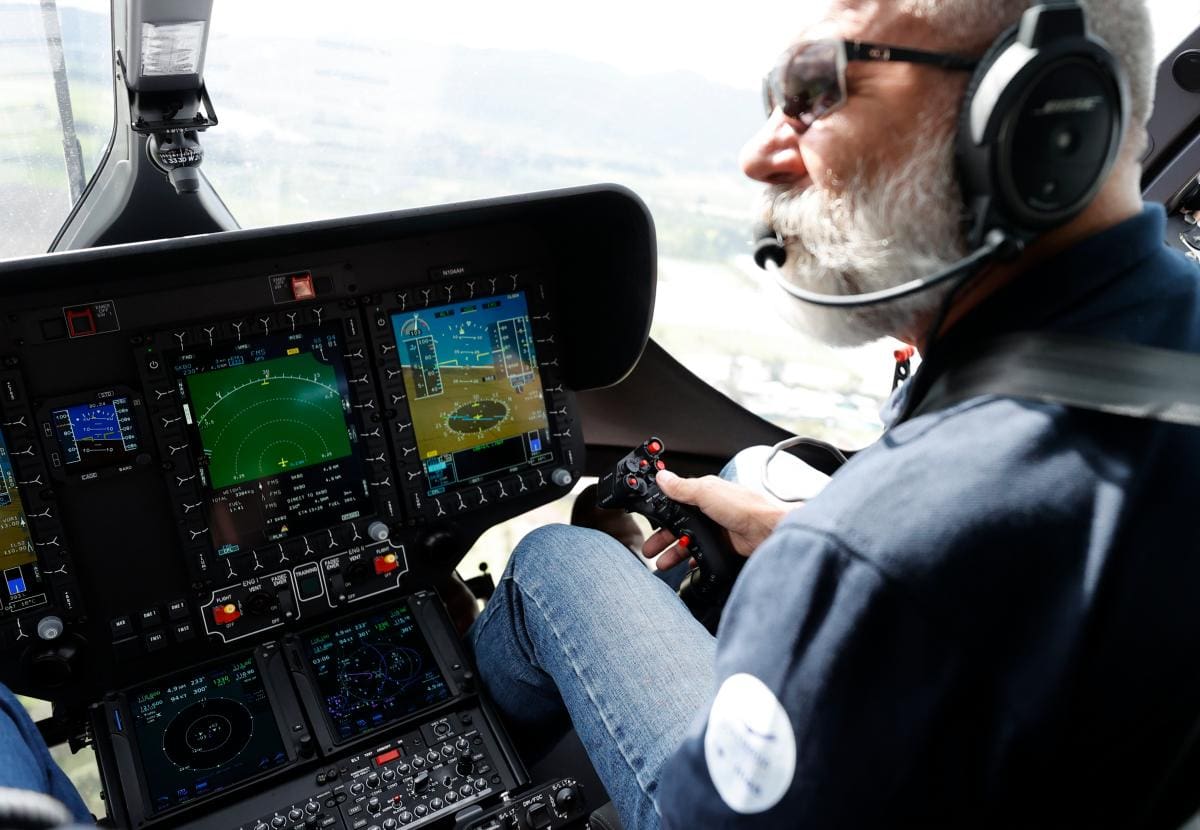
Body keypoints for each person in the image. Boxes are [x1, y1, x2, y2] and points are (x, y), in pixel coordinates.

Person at [470, 0, 1200, 828]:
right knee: (751, 471)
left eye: (815, 93)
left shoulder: (870, 558)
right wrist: (802, 541)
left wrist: (825, 575)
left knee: (556, 561)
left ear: (1040, 118)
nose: (759, 155)